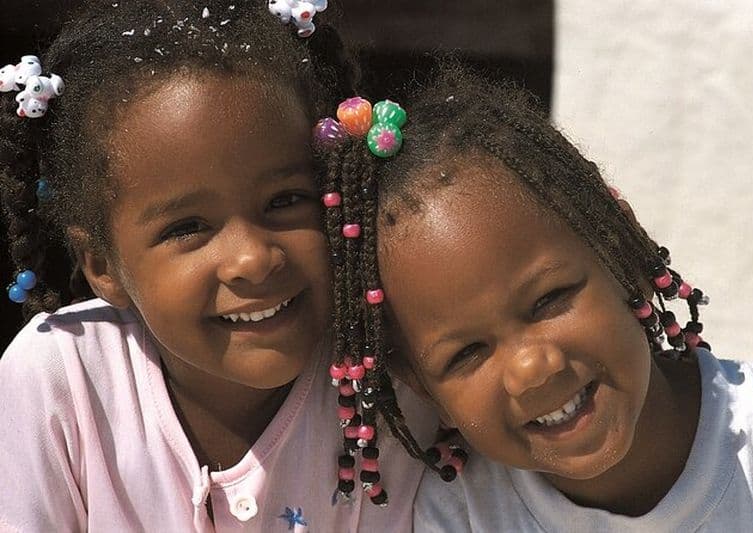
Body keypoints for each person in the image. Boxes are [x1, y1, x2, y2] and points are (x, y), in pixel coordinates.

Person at [0, 1, 435, 530]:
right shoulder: (59, 380)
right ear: (102, 265)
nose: (252, 259)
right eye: (187, 228)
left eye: (285, 200)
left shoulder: (390, 391)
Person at [313, 65, 753, 532]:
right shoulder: (459, 518)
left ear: (618, 246)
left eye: (548, 301)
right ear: (421, 388)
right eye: (466, 354)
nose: (531, 368)